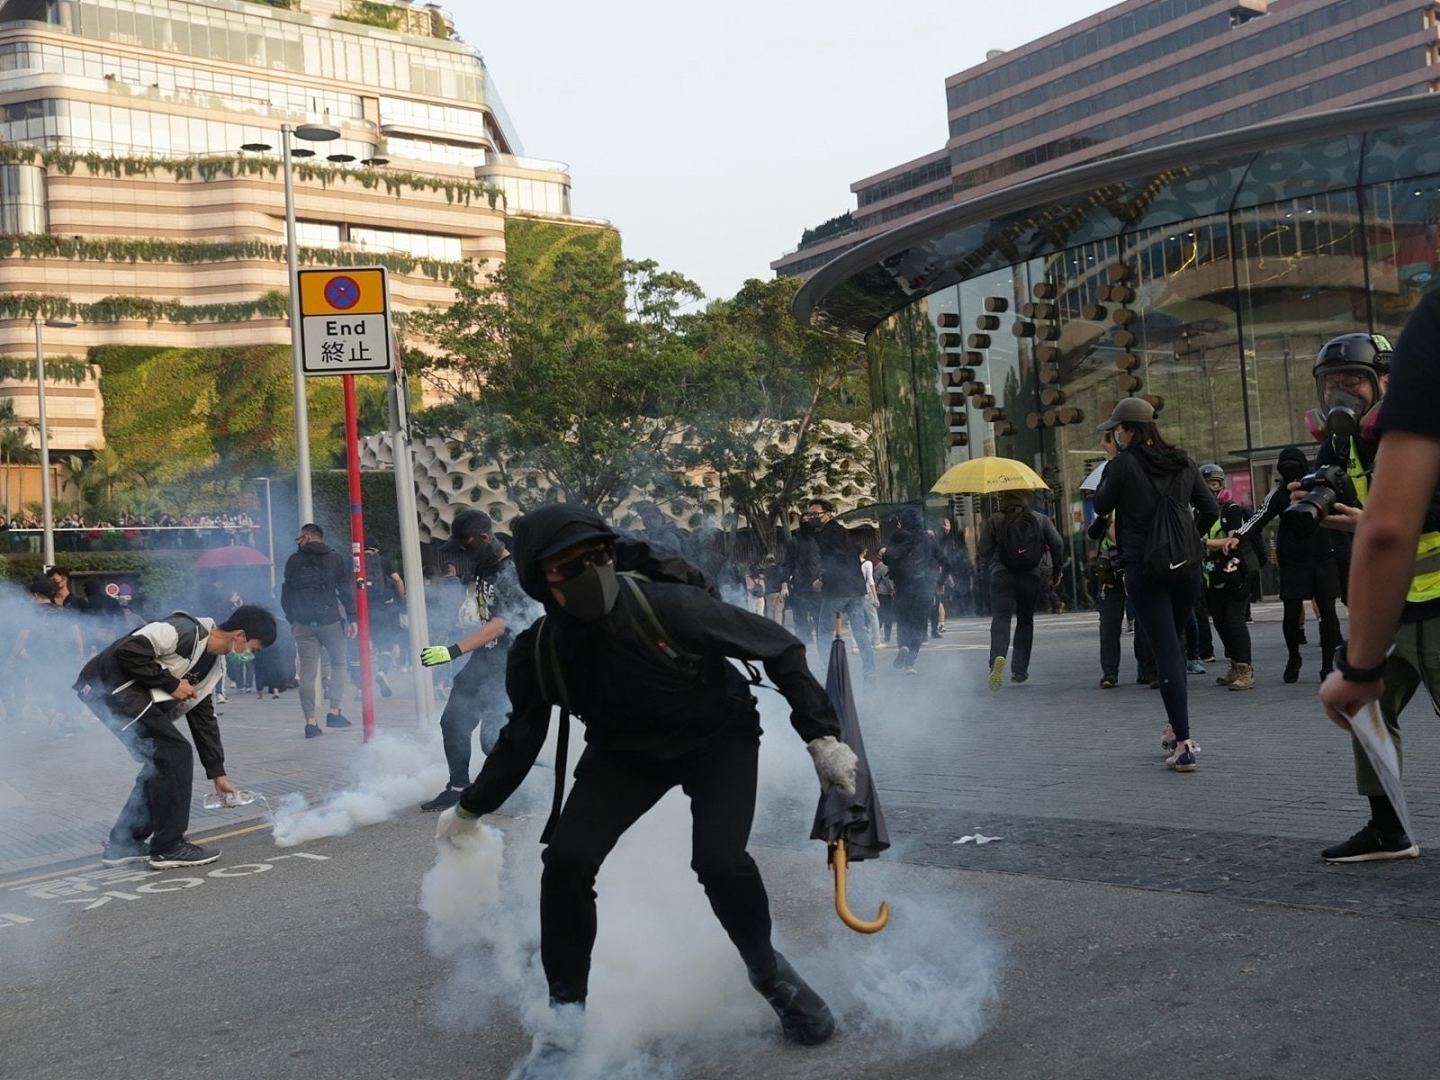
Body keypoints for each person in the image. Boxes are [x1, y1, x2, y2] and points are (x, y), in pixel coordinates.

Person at [434, 504, 855, 1075]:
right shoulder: (539, 650)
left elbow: (778, 645)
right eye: (567, 567)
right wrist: (469, 809)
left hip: (718, 738)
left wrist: (821, 736)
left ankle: (771, 976)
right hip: (626, 754)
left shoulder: (669, 606)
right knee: (566, 862)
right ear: (539, 581)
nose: (589, 573)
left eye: (597, 557)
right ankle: (565, 1023)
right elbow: (519, 740)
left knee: (719, 861)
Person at [1307, 327, 1440, 862]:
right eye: (1331, 383)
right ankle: (1388, 829)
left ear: (1386, 381)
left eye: (1353, 382)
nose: (1341, 393)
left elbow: (1403, 517)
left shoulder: (1422, 432)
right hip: (1391, 609)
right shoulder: (1341, 446)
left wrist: (1378, 521)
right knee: (1368, 710)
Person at [73, 604, 276, 869]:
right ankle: (169, 846)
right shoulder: (184, 630)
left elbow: (202, 716)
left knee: (161, 763)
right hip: (108, 688)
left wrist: (218, 772)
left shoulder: (214, 667)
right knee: (175, 753)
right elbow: (129, 651)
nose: (251, 655)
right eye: (254, 648)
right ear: (239, 635)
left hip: (130, 698)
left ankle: (124, 843)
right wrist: (170, 683)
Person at [1093, 398, 1218, 772]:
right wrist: (1186, 539)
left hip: (1145, 570)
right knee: (1174, 646)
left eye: (1118, 429)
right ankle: (1173, 725)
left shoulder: (1123, 465)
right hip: (1186, 568)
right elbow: (1210, 509)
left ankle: (1183, 743)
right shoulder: (1182, 460)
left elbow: (1101, 505)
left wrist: (1113, 463)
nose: (1116, 434)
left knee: (1165, 651)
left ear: (1128, 430)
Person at [417, 510, 527, 812]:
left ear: (484, 537)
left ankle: (534, 787)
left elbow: (500, 623)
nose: (464, 553)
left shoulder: (512, 573)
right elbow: (483, 620)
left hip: (510, 663)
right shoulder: (483, 568)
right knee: (453, 722)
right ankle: (458, 787)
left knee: (493, 741)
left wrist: (453, 650)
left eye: (466, 546)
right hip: (485, 658)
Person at [1231, 446, 1342, 684]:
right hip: (1293, 561)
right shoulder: (1279, 493)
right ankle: (1294, 656)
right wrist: (1238, 536)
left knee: (1328, 611)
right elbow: (1259, 517)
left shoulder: (1321, 487)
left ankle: (1326, 665)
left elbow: (1342, 510)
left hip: (1323, 557)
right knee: (1291, 612)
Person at [977, 491, 1066, 690]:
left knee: (1001, 618)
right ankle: (1019, 671)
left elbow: (983, 550)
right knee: (1025, 621)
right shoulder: (1040, 519)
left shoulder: (995, 519)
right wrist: (1057, 570)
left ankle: (997, 659)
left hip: (1001, 575)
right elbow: (1058, 543)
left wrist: (992, 559)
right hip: (1030, 576)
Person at [280, 522, 356, 738]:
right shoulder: (335, 557)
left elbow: (286, 593)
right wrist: (352, 617)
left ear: (307, 537)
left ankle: (310, 723)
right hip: (330, 620)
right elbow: (345, 590)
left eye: (299, 538)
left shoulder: (294, 560)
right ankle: (334, 711)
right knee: (339, 663)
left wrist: (291, 619)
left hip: (303, 624)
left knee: (307, 672)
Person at [1198, 464, 1255, 690]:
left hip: (1234, 573)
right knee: (1220, 621)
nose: (1211, 490)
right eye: (1206, 485)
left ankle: (1246, 669)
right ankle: (1234, 665)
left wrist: (1204, 543)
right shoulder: (1198, 513)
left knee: (1234, 620)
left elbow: (1233, 540)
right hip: (1211, 573)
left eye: (1214, 484)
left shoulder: (1231, 510)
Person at [806, 498, 875, 679]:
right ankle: (870, 671)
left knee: (824, 631)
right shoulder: (836, 531)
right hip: (855, 588)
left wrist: (822, 579)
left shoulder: (831, 533)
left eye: (816, 514)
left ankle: (829, 669)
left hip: (838, 589)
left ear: (828, 513)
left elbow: (837, 560)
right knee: (859, 631)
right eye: (810, 514)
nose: (812, 517)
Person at [883, 508, 940, 674]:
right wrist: (939, 581)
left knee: (904, 621)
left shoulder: (897, 536)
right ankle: (911, 663)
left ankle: (904, 646)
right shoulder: (927, 538)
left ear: (902, 522)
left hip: (902, 586)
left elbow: (887, 559)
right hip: (924, 587)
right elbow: (940, 560)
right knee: (918, 625)